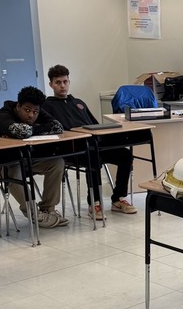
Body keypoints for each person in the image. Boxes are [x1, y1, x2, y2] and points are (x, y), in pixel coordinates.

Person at [42, 64, 137, 218]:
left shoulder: (78, 103)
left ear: (69, 82)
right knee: (93, 158)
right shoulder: (47, 106)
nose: (62, 85)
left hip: (94, 146)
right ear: (51, 84)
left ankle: (118, 198)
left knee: (125, 155)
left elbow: (94, 125)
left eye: (65, 81)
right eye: (58, 82)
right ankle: (95, 202)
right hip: (73, 150)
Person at [0, 86, 68, 229]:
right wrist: (35, 129)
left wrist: (30, 129)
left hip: (24, 159)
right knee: (14, 170)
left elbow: (58, 127)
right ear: (18, 106)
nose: (31, 116)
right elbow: (20, 131)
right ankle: (34, 213)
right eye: (27, 110)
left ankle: (48, 208)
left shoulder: (36, 111)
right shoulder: (1, 115)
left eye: (35, 112)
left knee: (56, 162)